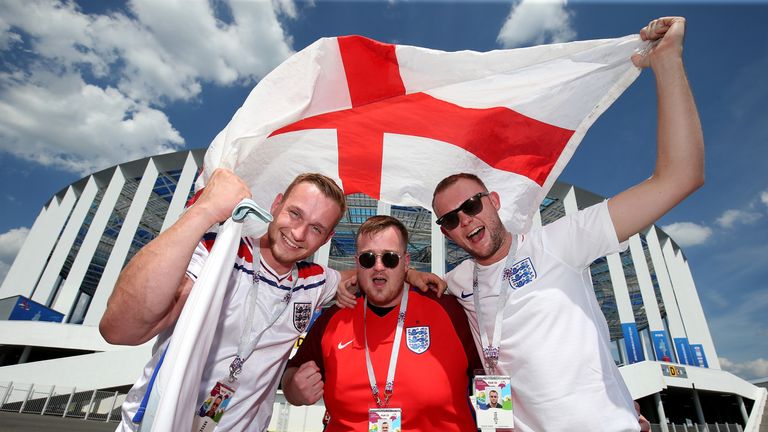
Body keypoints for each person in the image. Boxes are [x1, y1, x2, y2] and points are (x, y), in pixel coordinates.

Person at [429, 17, 703, 432]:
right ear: (445, 232)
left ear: (494, 201)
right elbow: (394, 276)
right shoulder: (459, 281)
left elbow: (680, 176)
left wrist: (668, 62)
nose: (465, 219)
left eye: (471, 205)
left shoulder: (559, 242)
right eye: (451, 218)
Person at [99, 169, 442, 431]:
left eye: (316, 228)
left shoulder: (313, 281)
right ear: (276, 205)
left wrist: (406, 272)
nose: (299, 234)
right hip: (158, 423)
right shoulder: (218, 254)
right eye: (295, 214)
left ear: (327, 238)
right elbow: (119, 330)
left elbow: (367, 273)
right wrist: (204, 210)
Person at [281, 216, 481, 431]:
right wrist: (294, 389)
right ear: (357, 263)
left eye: (390, 258)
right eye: (368, 259)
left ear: (406, 262)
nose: (378, 267)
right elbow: (291, 374)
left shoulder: (448, 310)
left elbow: (490, 368)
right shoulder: (335, 317)